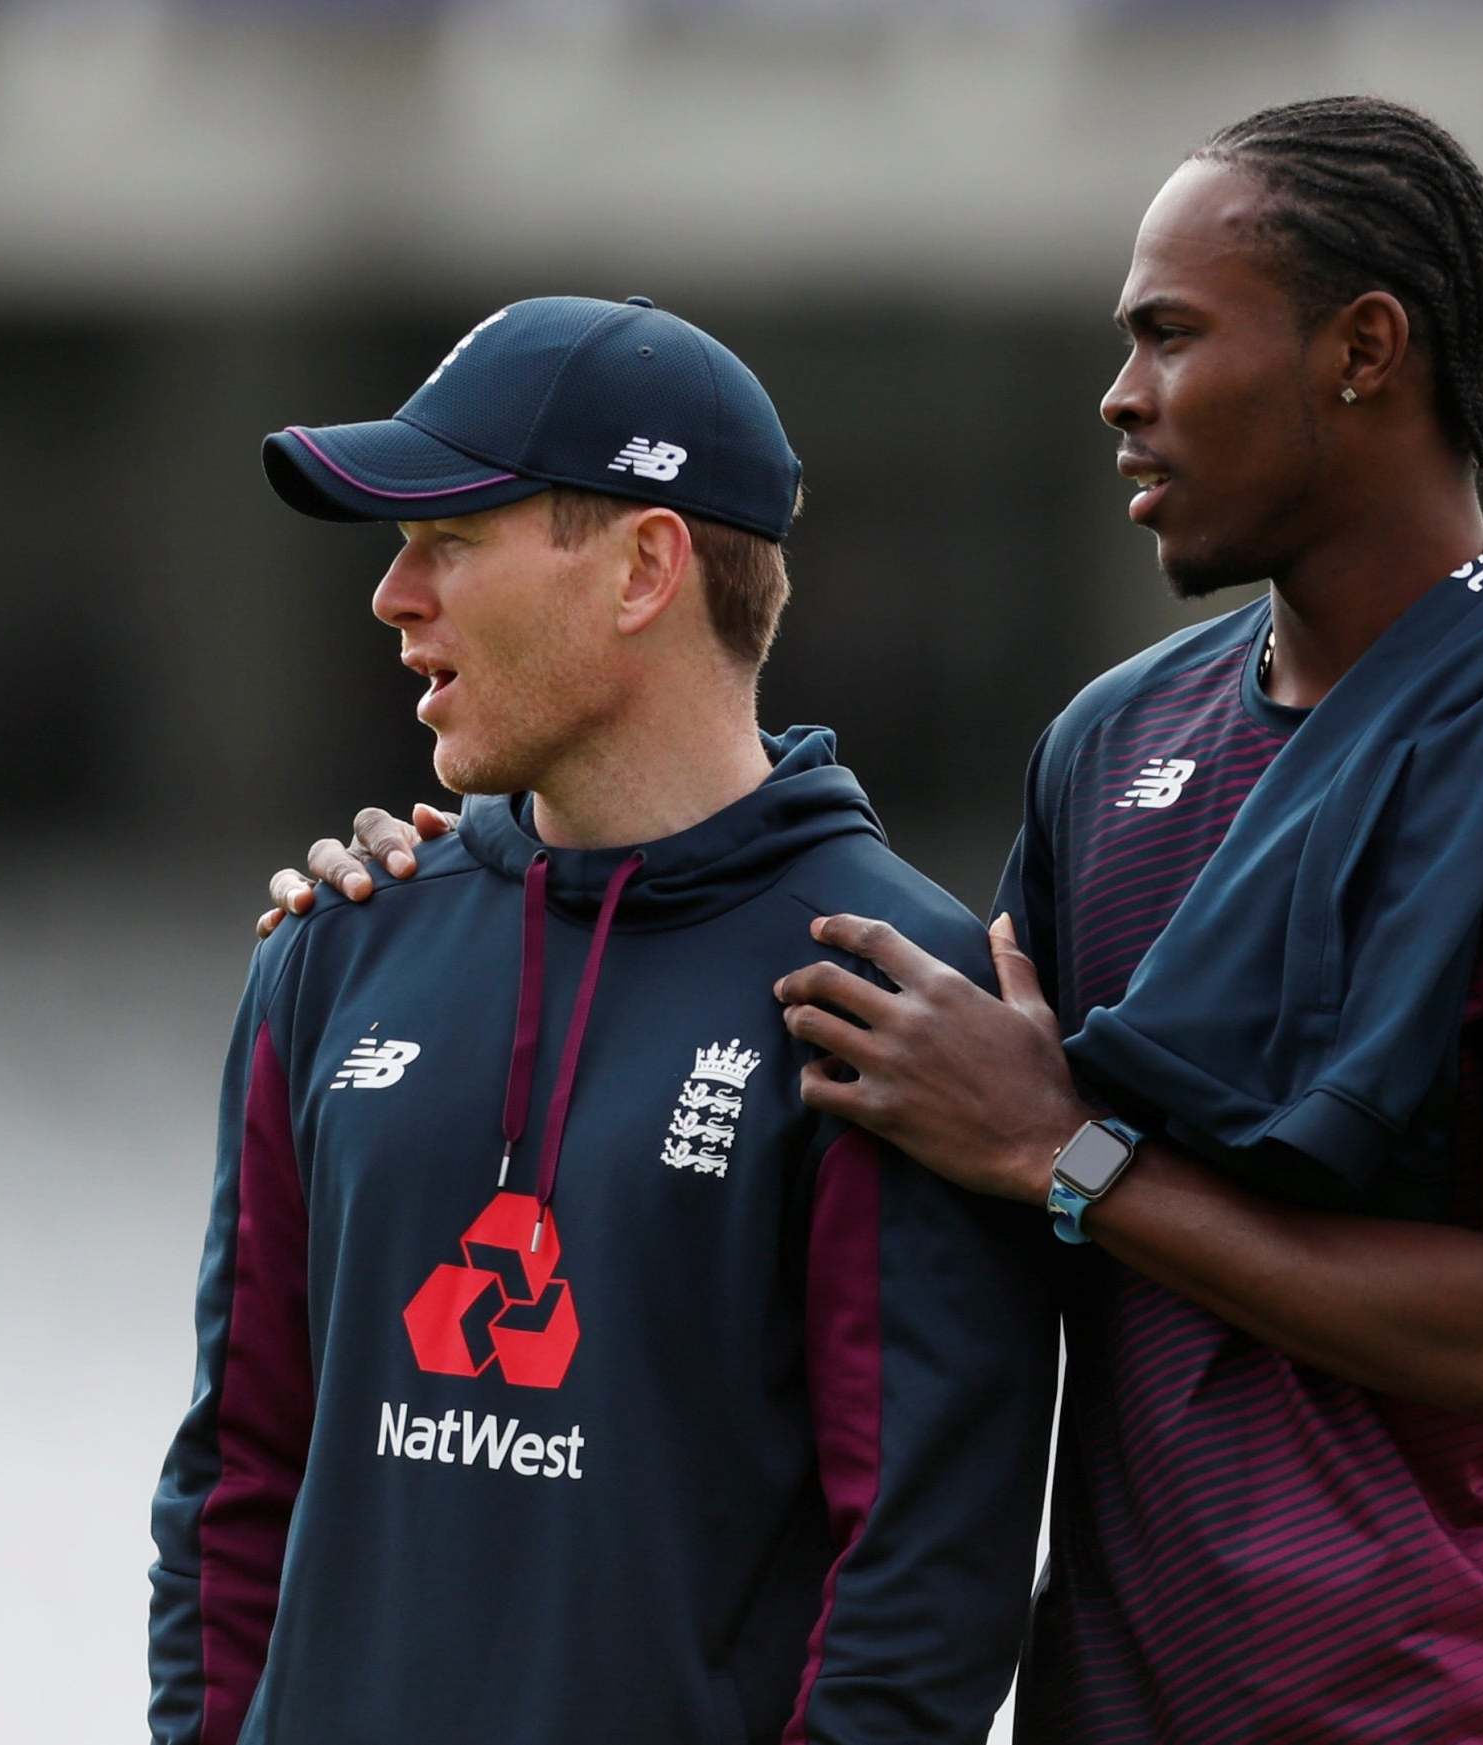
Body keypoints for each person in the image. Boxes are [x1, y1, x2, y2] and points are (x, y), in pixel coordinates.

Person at [274, 103, 1483, 1744]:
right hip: (1124, 1691)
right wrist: (475, 887)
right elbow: (944, 1173)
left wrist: (1078, 1163)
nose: (1119, 397)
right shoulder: (1114, 743)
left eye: (1169, 338)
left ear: (1363, 349)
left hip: (1459, 1696)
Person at [149, 295, 1055, 1745]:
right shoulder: (334, 949)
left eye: (448, 540)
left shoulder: (896, 998)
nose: (393, 594)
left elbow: (915, 1587)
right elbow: (235, 1471)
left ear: (644, 567)